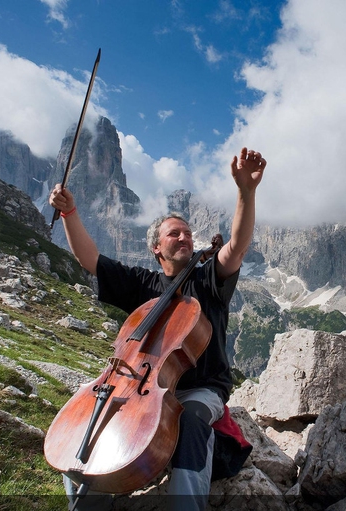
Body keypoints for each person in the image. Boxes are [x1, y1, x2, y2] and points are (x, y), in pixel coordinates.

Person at [49, 147, 265, 511]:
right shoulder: (142, 284)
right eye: (174, 234)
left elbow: (236, 248)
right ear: (156, 248)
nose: (184, 238)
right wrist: (69, 212)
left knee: (192, 423)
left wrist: (246, 191)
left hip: (199, 390)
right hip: (140, 387)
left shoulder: (207, 279)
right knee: (93, 424)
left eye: (187, 234)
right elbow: (90, 260)